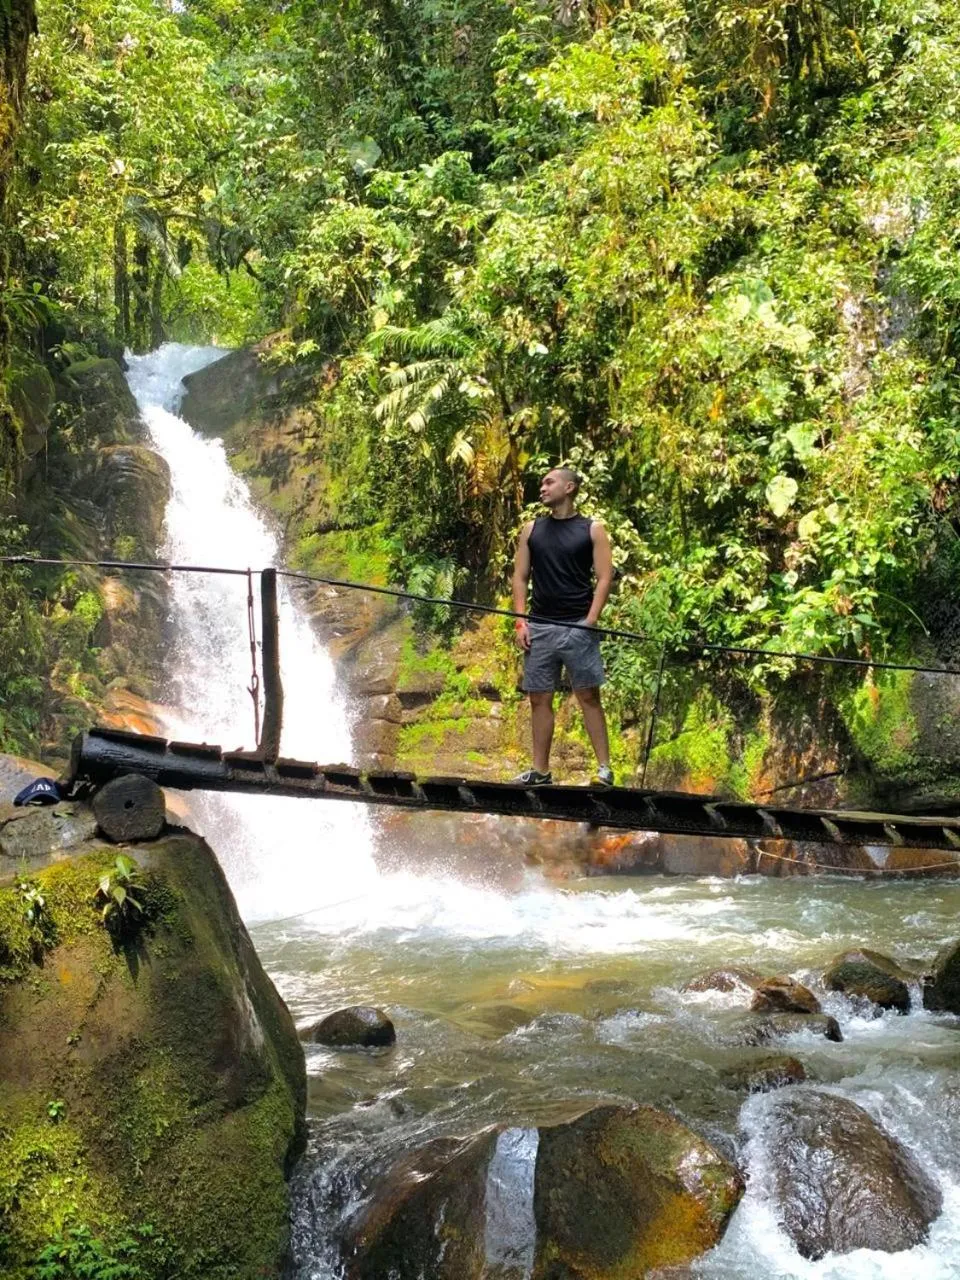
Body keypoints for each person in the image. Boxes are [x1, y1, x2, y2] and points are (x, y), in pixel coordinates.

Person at [511, 466, 614, 786]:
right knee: (538, 698)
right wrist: (520, 622)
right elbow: (520, 577)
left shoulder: (592, 529)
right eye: (542, 483)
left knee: (588, 695)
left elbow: (605, 577)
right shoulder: (531, 529)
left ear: (569, 488)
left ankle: (604, 769)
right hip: (539, 627)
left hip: (578, 626)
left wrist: (591, 620)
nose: (542, 488)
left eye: (549, 482)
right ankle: (540, 772)